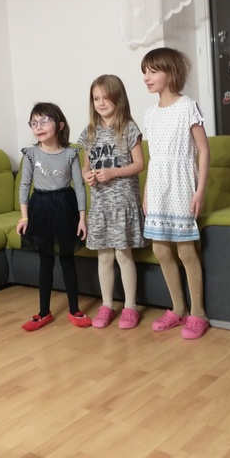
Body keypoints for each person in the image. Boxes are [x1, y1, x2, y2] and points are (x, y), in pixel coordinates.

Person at [141, 47, 210, 339]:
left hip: (182, 184)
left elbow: (203, 150)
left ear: (171, 72)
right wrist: (146, 191)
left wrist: (200, 190)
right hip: (157, 185)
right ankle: (178, 308)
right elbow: (153, 157)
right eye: (144, 72)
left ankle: (198, 313)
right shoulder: (150, 114)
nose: (147, 77)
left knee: (185, 250)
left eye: (153, 71)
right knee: (160, 249)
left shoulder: (187, 106)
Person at [78, 75, 147, 329]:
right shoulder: (89, 132)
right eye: (96, 98)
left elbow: (139, 164)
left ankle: (130, 307)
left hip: (123, 203)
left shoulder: (129, 128)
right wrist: (87, 175)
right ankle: (107, 305)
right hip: (101, 206)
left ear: (118, 98)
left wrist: (113, 173)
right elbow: (86, 165)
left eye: (105, 98)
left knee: (123, 255)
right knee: (104, 257)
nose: (100, 103)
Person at [17, 102, 92, 331]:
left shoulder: (71, 153)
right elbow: (24, 186)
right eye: (34, 123)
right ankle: (43, 313)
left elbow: (79, 187)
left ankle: (74, 309)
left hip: (65, 206)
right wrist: (24, 218)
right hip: (40, 207)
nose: (38, 127)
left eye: (44, 121)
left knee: (67, 259)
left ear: (59, 125)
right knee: (46, 260)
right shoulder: (31, 154)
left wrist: (82, 218)